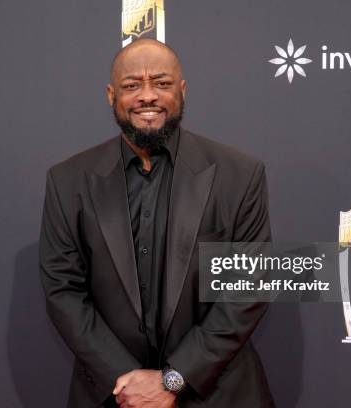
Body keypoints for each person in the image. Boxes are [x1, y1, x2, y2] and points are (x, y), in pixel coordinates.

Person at [39, 38, 274, 408]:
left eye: (162, 83)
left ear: (182, 91)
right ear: (111, 95)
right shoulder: (68, 181)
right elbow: (63, 291)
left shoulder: (240, 175)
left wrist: (173, 379)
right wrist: (128, 383)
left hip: (215, 392)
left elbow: (248, 289)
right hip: (114, 395)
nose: (147, 96)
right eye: (132, 85)